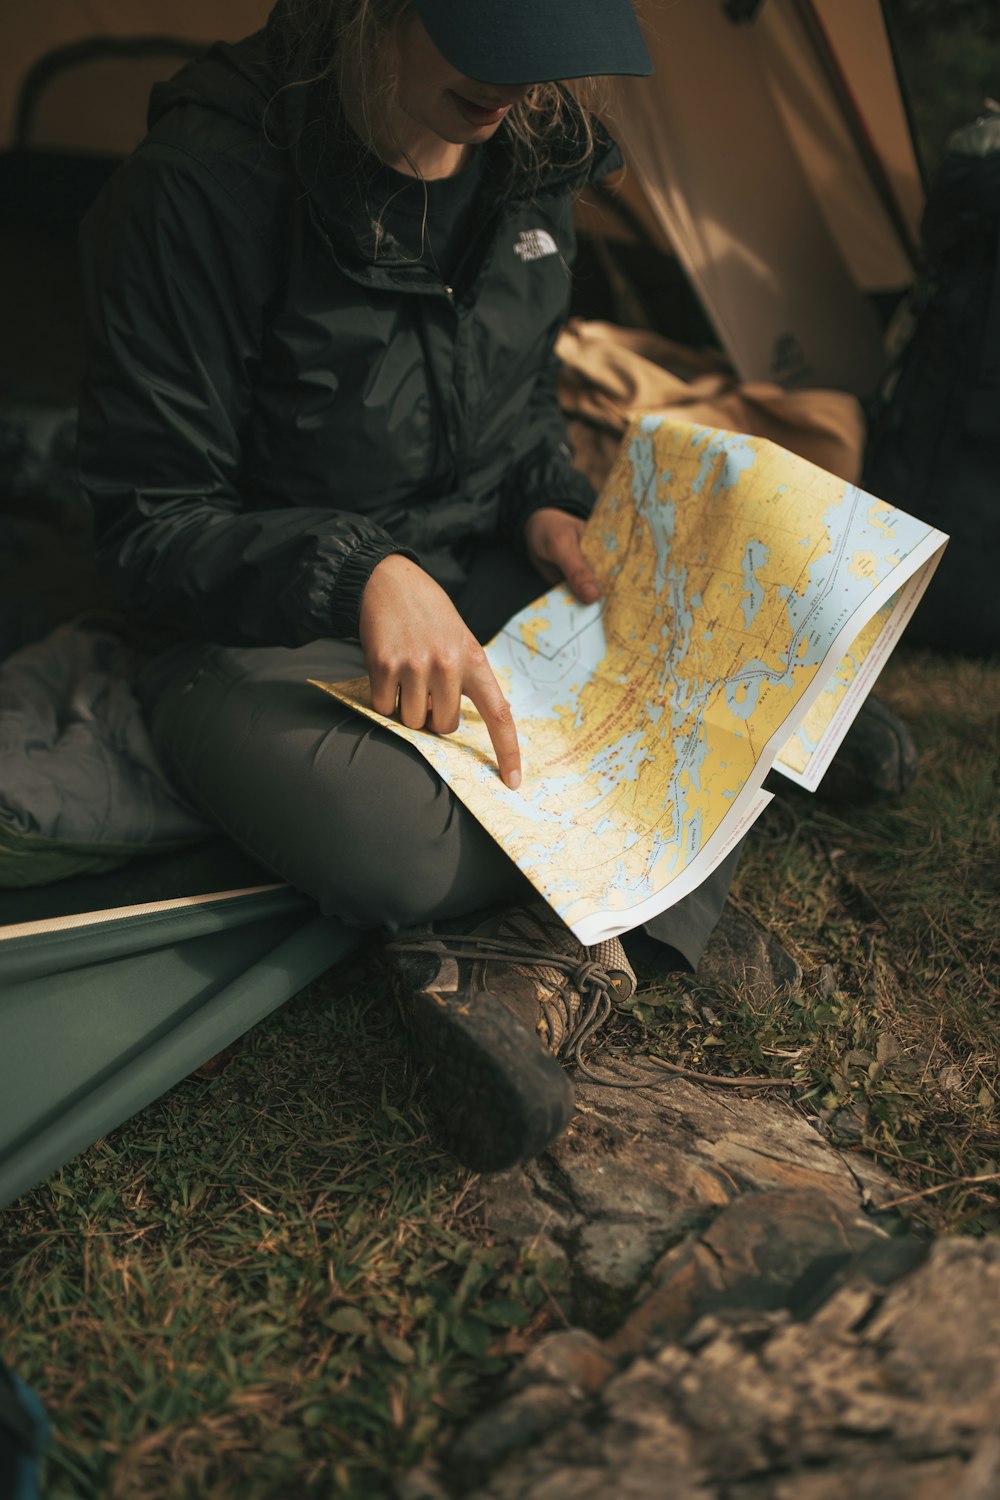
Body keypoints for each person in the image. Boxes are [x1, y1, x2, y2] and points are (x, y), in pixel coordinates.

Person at [77, 0, 743, 1173]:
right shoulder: (202, 184)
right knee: (397, 847)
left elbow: (519, 405)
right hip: (257, 623)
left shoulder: (530, 154)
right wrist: (356, 571)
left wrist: (542, 499)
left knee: (717, 646)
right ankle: (652, 882)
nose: (517, 94)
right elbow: (152, 521)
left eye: (546, 64)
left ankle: (524, 970)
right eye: (492, 51)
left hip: (470, 572)